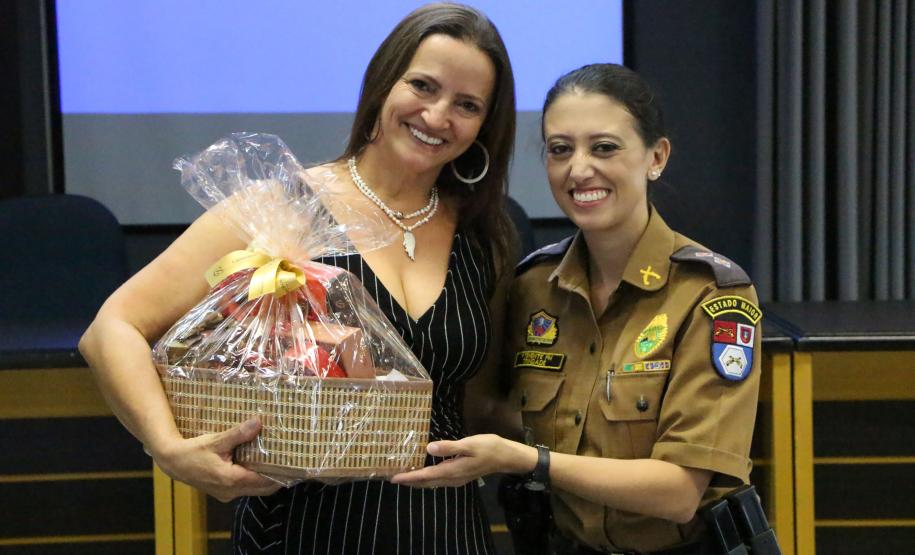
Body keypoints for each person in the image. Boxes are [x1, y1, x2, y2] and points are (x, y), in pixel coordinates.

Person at [79, 4, 517, 554]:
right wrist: (167, 448)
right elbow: (111, 328)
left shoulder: (484, 235)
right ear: (383, 84)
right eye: (423, 86)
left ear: (484, 125)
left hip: (445, 528)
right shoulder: (284, 205)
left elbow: (479, 403)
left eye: (467, 105)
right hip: (302, 529)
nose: (436, 115)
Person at [392, 63, 762, 555]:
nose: (579, 168)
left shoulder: (710, 294)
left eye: (604, 147)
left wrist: (531, 461)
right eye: (560, 149)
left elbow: (677, 493)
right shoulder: (530, 287)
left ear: (657, 157)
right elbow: (482, 412)